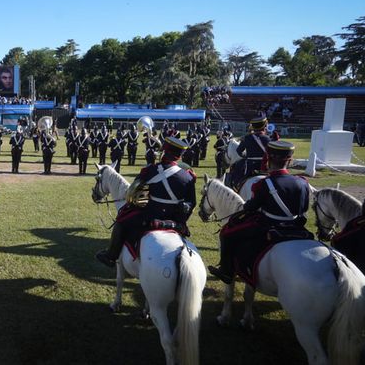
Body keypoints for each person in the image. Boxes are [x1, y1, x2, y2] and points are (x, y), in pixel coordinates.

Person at [209, 141, 311, 284]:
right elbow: (303, 210)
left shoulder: (263, 184)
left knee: (226, 233)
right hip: (296, 227)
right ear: (290, 161)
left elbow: (251, 207)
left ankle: (226, 271)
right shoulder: (302, 182)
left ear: (268, 160)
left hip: (268, 225)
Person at [96, 137, 196, 267]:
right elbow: (191, 203)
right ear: (179, 156)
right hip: (175, 219)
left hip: (151, 215)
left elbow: (135, 193)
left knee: (121, 221)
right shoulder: (188, 176)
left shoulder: (150, 170)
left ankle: (111, 256)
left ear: (165, 151)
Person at [230, 116, 271, 189]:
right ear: (264, 126)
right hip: (265, 167)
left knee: (238, 179)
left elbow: (239, 151)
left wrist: (246, 156)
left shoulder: (247, 138)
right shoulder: (268, 138)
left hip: (250, 166)